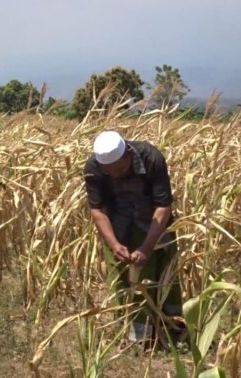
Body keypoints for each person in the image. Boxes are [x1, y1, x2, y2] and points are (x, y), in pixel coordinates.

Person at [83, 130, 184, 345]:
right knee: (124, 281)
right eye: (108, 172)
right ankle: (138, 339)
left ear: (128, 153)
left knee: (166, 277)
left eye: (120, 169)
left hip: (152, 222)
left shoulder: (151, 158)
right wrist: (114, 244)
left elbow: (163, 206)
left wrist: (147, 247)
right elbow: (98, 210)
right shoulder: (93, 168)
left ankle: (174, 332)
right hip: (117, 225)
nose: (115, 174)